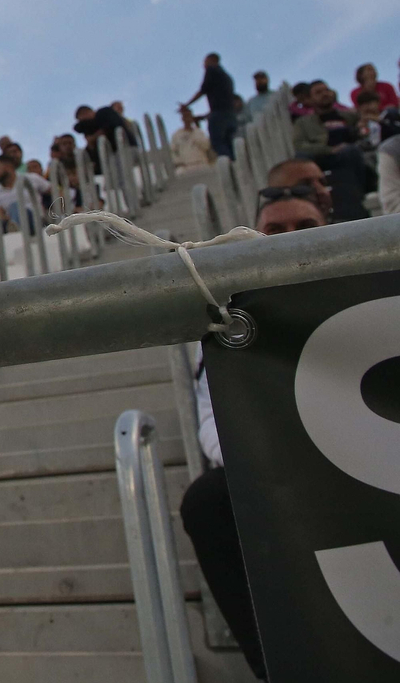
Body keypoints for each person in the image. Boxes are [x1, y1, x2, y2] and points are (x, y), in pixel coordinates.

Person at [179, 189, 326, 681]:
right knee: (207, 503)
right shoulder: (234, 318)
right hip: (279, 464)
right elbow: (210, 416)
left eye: (303, 227)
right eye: (274, 231)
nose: (287, 240)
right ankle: (277, 667)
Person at [291, 80, 369, 221]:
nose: (324, 94)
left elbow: (364, 129)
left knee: (352, 151)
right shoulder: (303, 123)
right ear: (309, 99)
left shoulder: (348, 116)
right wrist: (329, 149)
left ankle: (360, 191)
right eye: (318, 92)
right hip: (321, 159)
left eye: (326, 90)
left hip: (348, 157)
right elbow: (300, 145)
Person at [182, 53, 236, 159]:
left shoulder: (212, 70)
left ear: (211, 60)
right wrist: (203, 117)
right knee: (230, 145)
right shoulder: (227, 77)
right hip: (230, 115)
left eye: (205, 61)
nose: (204, 65)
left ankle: (227, 167)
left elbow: (203, 90)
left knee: (218, 143)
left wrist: (187, 104)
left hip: (219, 116)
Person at [0, 155, 51, 230]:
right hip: (11, 222)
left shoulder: (31, 179)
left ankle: (15, 228)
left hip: (37, 221)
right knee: (14, 208)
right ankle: (15, 227)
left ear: (8, 166)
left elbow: (54, 191)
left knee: (16, 206)